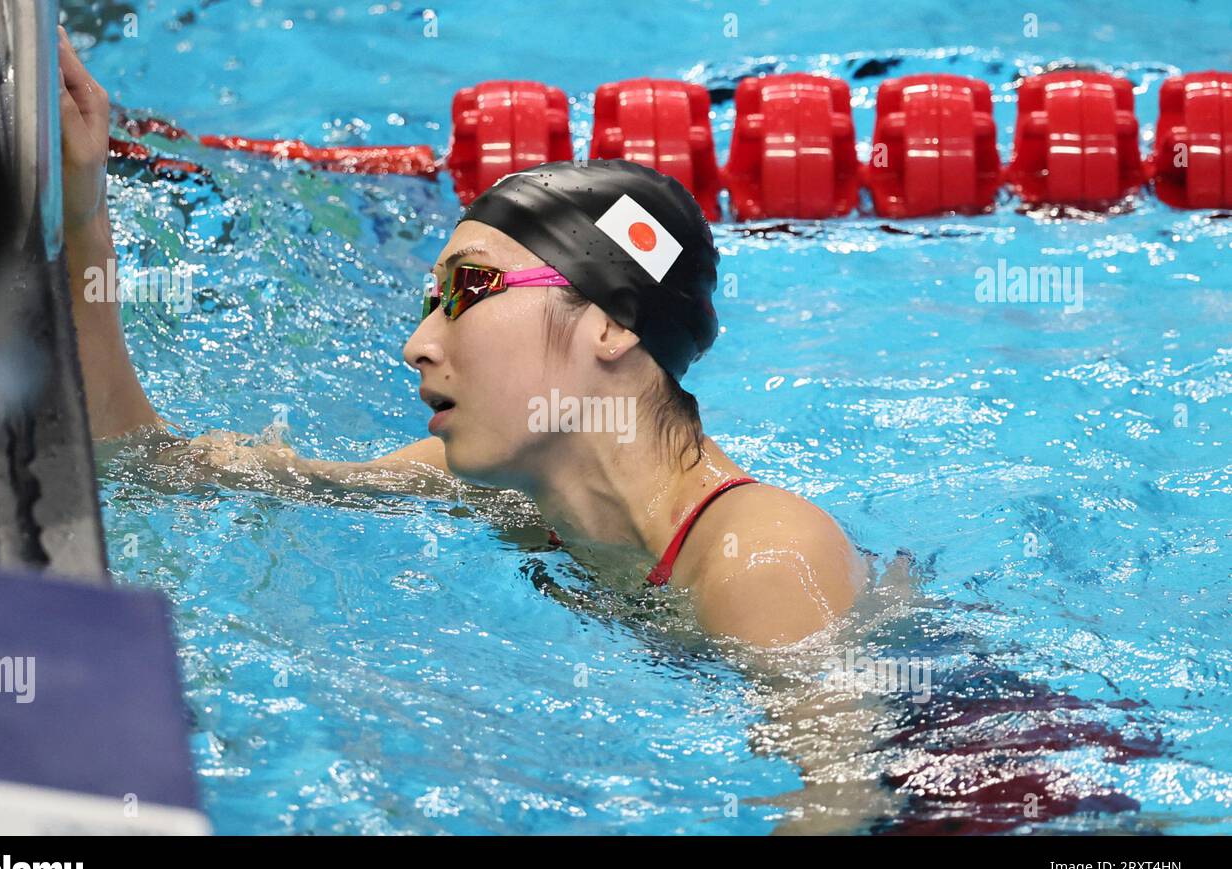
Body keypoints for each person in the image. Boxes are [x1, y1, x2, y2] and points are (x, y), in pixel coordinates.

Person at [49, 26, 869, 647]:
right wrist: (85, 215)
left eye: (468, 290)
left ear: (613, 323)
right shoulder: (511, 492)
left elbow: (840, 798)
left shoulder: (763, 561)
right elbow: (144, 465)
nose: (418, 343)